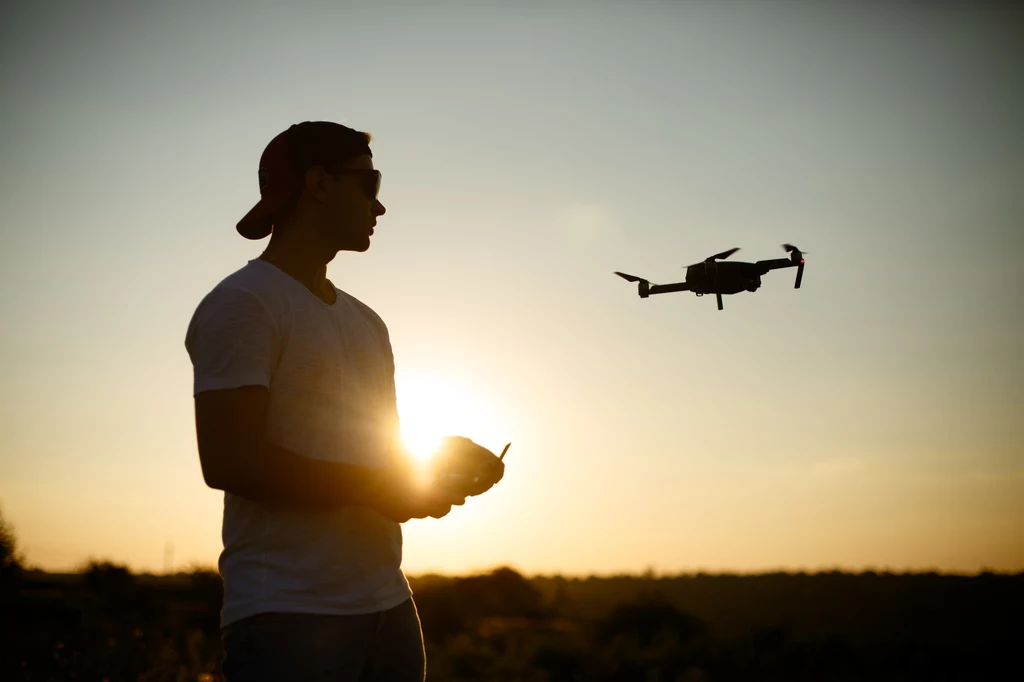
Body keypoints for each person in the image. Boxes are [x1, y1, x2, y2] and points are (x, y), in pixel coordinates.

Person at [184, 121, 505, 682]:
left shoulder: (366, 322)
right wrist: (382, 487)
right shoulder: (243, 304)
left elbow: (372, 455)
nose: (380, 207)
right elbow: (230, 461)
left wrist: (435, 461)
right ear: (319, 183)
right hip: (287, 619)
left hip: (389, 606)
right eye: (371, 183)